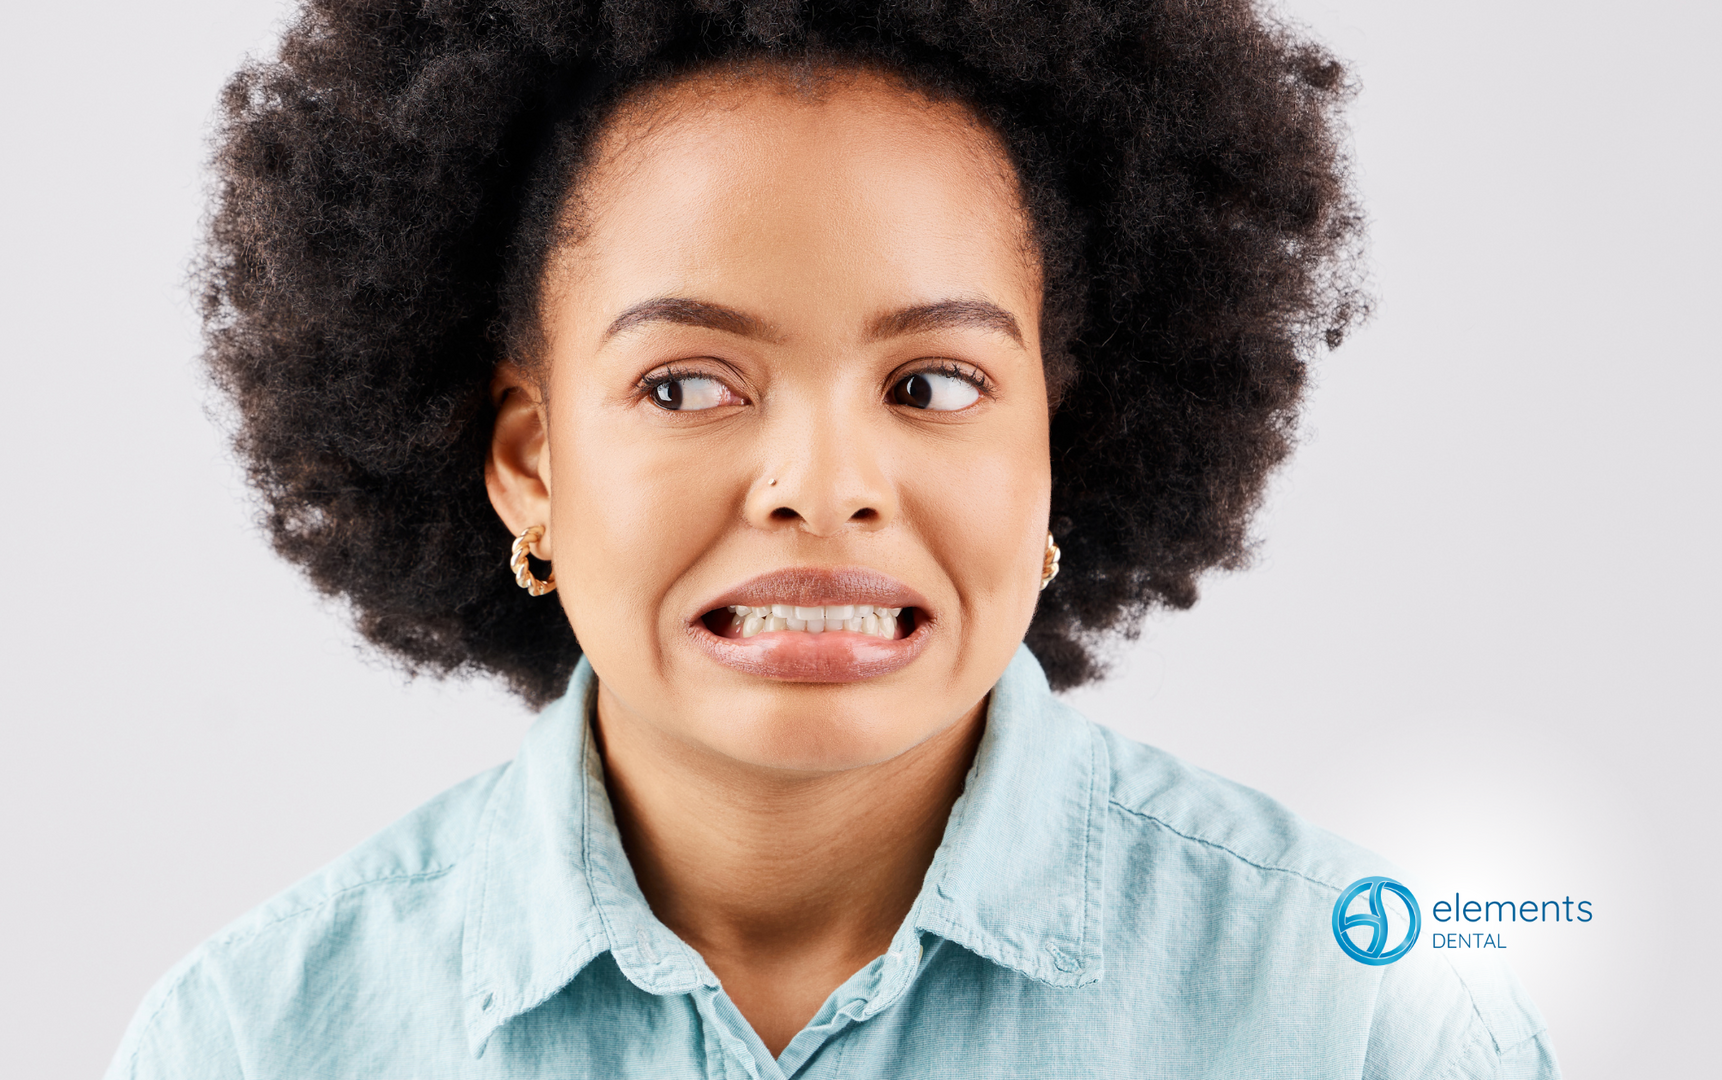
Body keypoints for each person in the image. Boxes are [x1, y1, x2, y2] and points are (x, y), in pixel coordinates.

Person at [108, 1, 1558, 1076]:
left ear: (1060, 451)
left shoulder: (1369, 1021)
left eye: (933, 385)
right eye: (687, 384)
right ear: (530, 466)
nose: (822, 483)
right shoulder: (255, 1042)